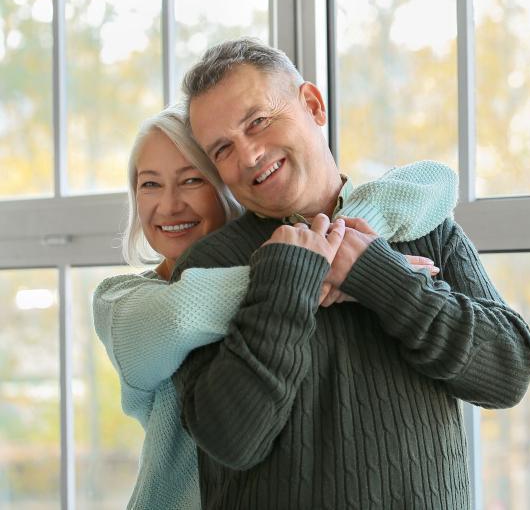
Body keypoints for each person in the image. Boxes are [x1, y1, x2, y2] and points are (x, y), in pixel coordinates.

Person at [171, 38, 530, 508]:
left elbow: (509, 372)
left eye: (258, 121)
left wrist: (381, 278)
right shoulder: (209, 266)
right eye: (222, 149)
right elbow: (230, 441)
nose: (248, 156)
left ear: (312, 105)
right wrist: (285, 283)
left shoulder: (418, 222)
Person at [93, 104, 458, 509]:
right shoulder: (120, 303)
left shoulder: (289, 256)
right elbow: (182, 313)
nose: (169, 204)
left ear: (231, 187)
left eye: (192, 180)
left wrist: (344, 251)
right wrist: (326, 270)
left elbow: (436, 180)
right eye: (149, 184)